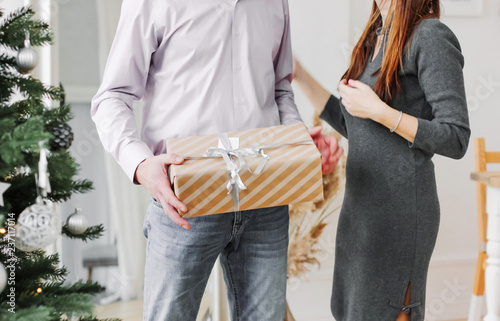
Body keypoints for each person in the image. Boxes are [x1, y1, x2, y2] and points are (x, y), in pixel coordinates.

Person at [91, 0, 342, 320]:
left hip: (265, 199)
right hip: (183, 199)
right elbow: (112, 97)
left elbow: (280, 89)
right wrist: (141, 165)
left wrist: (295, 147)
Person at [293, 0, 470, 320]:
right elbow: (354, 124)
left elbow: (455, 137)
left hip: (400, 210)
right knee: (352, 311)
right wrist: (299, 74)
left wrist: (381, 111)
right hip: (360, 210)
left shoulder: (430, 36)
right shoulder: (374, 37)